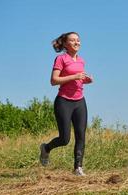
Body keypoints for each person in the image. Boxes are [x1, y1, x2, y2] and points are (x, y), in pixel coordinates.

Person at [39, 32, 93, 176]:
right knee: (65, 139)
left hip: (80, 101)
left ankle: (78, 168)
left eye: (78, 40)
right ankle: (46, 148)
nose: (77, 43)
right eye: (73, 40)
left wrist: (85, 80)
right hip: (64, 101)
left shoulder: (81, 61)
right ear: (65, 44)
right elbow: (54, 80)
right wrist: (75, 76)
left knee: (81, 135)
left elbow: (77, 80)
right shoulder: (61, 59)